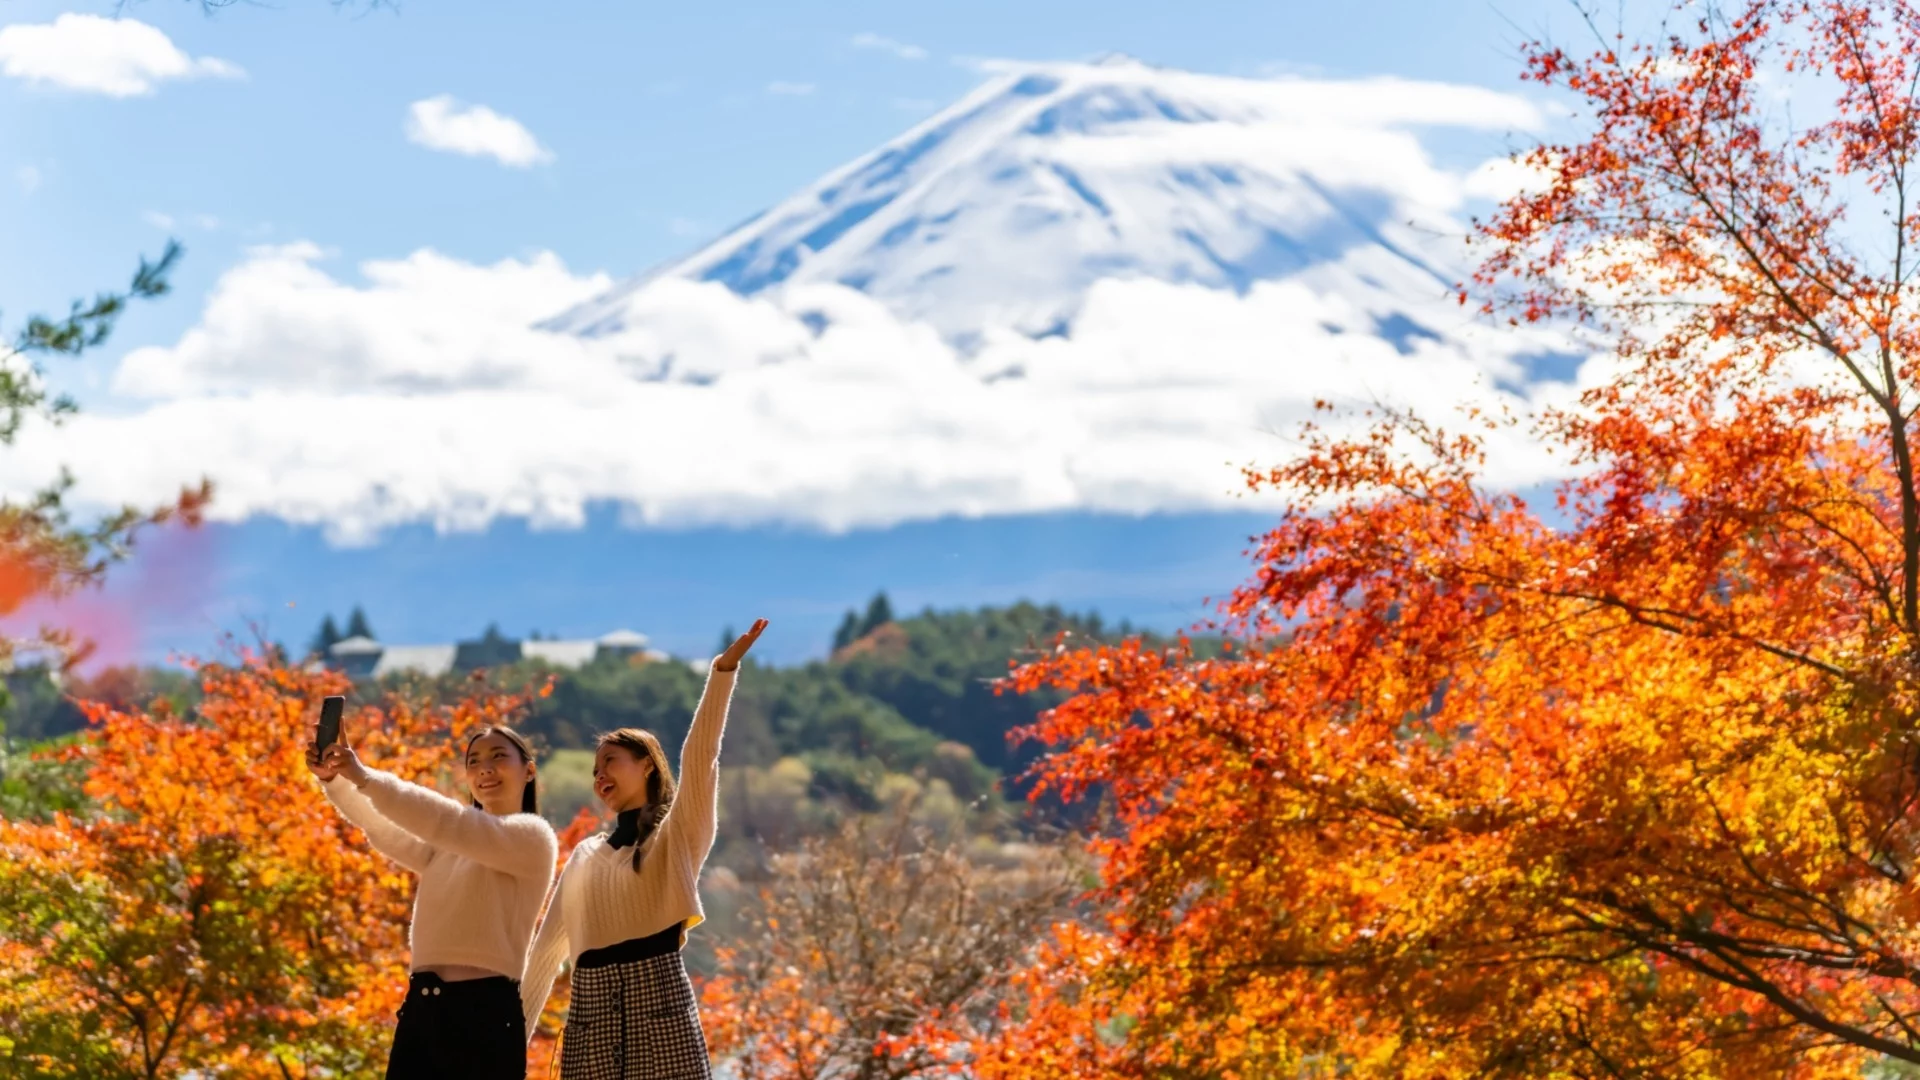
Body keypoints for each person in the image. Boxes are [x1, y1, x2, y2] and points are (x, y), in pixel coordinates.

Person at [521, 618, 766, 1080]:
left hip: (660, 1006)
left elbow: (701, 759)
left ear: (648, 766)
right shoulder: (584, 856)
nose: (599, 776)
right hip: (590, 1016)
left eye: (610, 761)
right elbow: (545, 956)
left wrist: (721, 674)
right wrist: (510, 1047)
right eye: (594, 770)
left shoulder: (676, 836)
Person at [307, 716, 558, 1080]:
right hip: (422, 1008)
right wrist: (334, 779)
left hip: (485, 1014)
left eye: (498, 756)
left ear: (529, 771)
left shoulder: (533, 838)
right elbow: (380, 826)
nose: (484, 769)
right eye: (473, 761)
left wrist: (365, 777)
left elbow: (449, 822)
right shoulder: (448, 847)